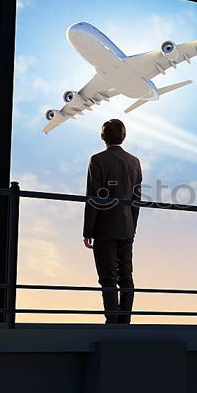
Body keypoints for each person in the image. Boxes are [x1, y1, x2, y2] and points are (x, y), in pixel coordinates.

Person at [83, 119, 142, 324]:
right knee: (126, 275)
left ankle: (112, 320)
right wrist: (132, 226)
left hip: (104, 227)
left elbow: (94, 196)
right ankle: (124, 321)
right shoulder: (134, 162)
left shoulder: (97, 160)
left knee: (107, 277)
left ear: (102, 137)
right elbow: (136, 199)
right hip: (126, 226)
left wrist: (88, 230)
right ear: (123, 137)